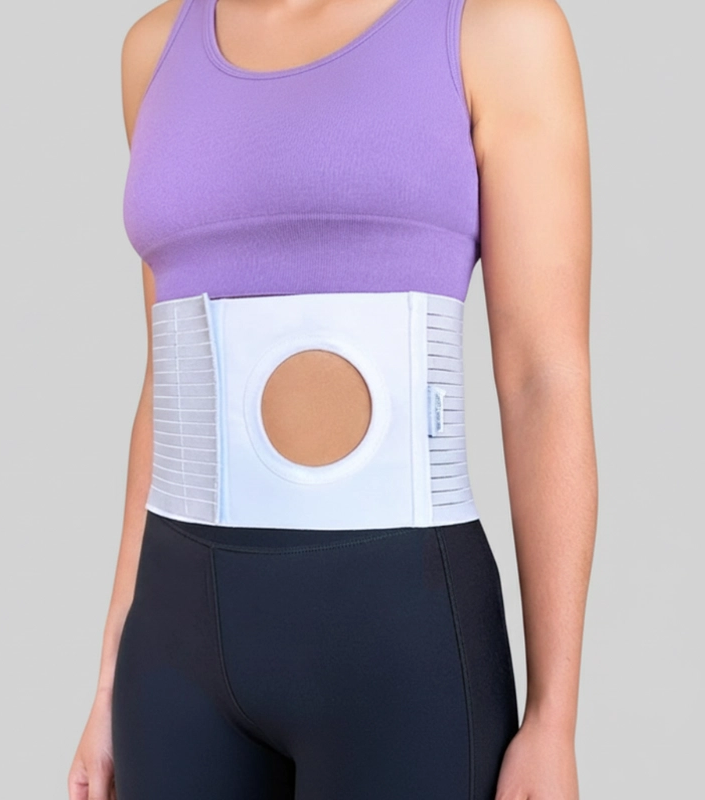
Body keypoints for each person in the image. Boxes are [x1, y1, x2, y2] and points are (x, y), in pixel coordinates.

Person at [68, 0, 596, 797]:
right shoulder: (154, 49)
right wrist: (109, 679)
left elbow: (542, 380)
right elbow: (166, 384)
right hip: (175, 646)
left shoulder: (494, 28)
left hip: (397, 634)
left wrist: (554, 716)